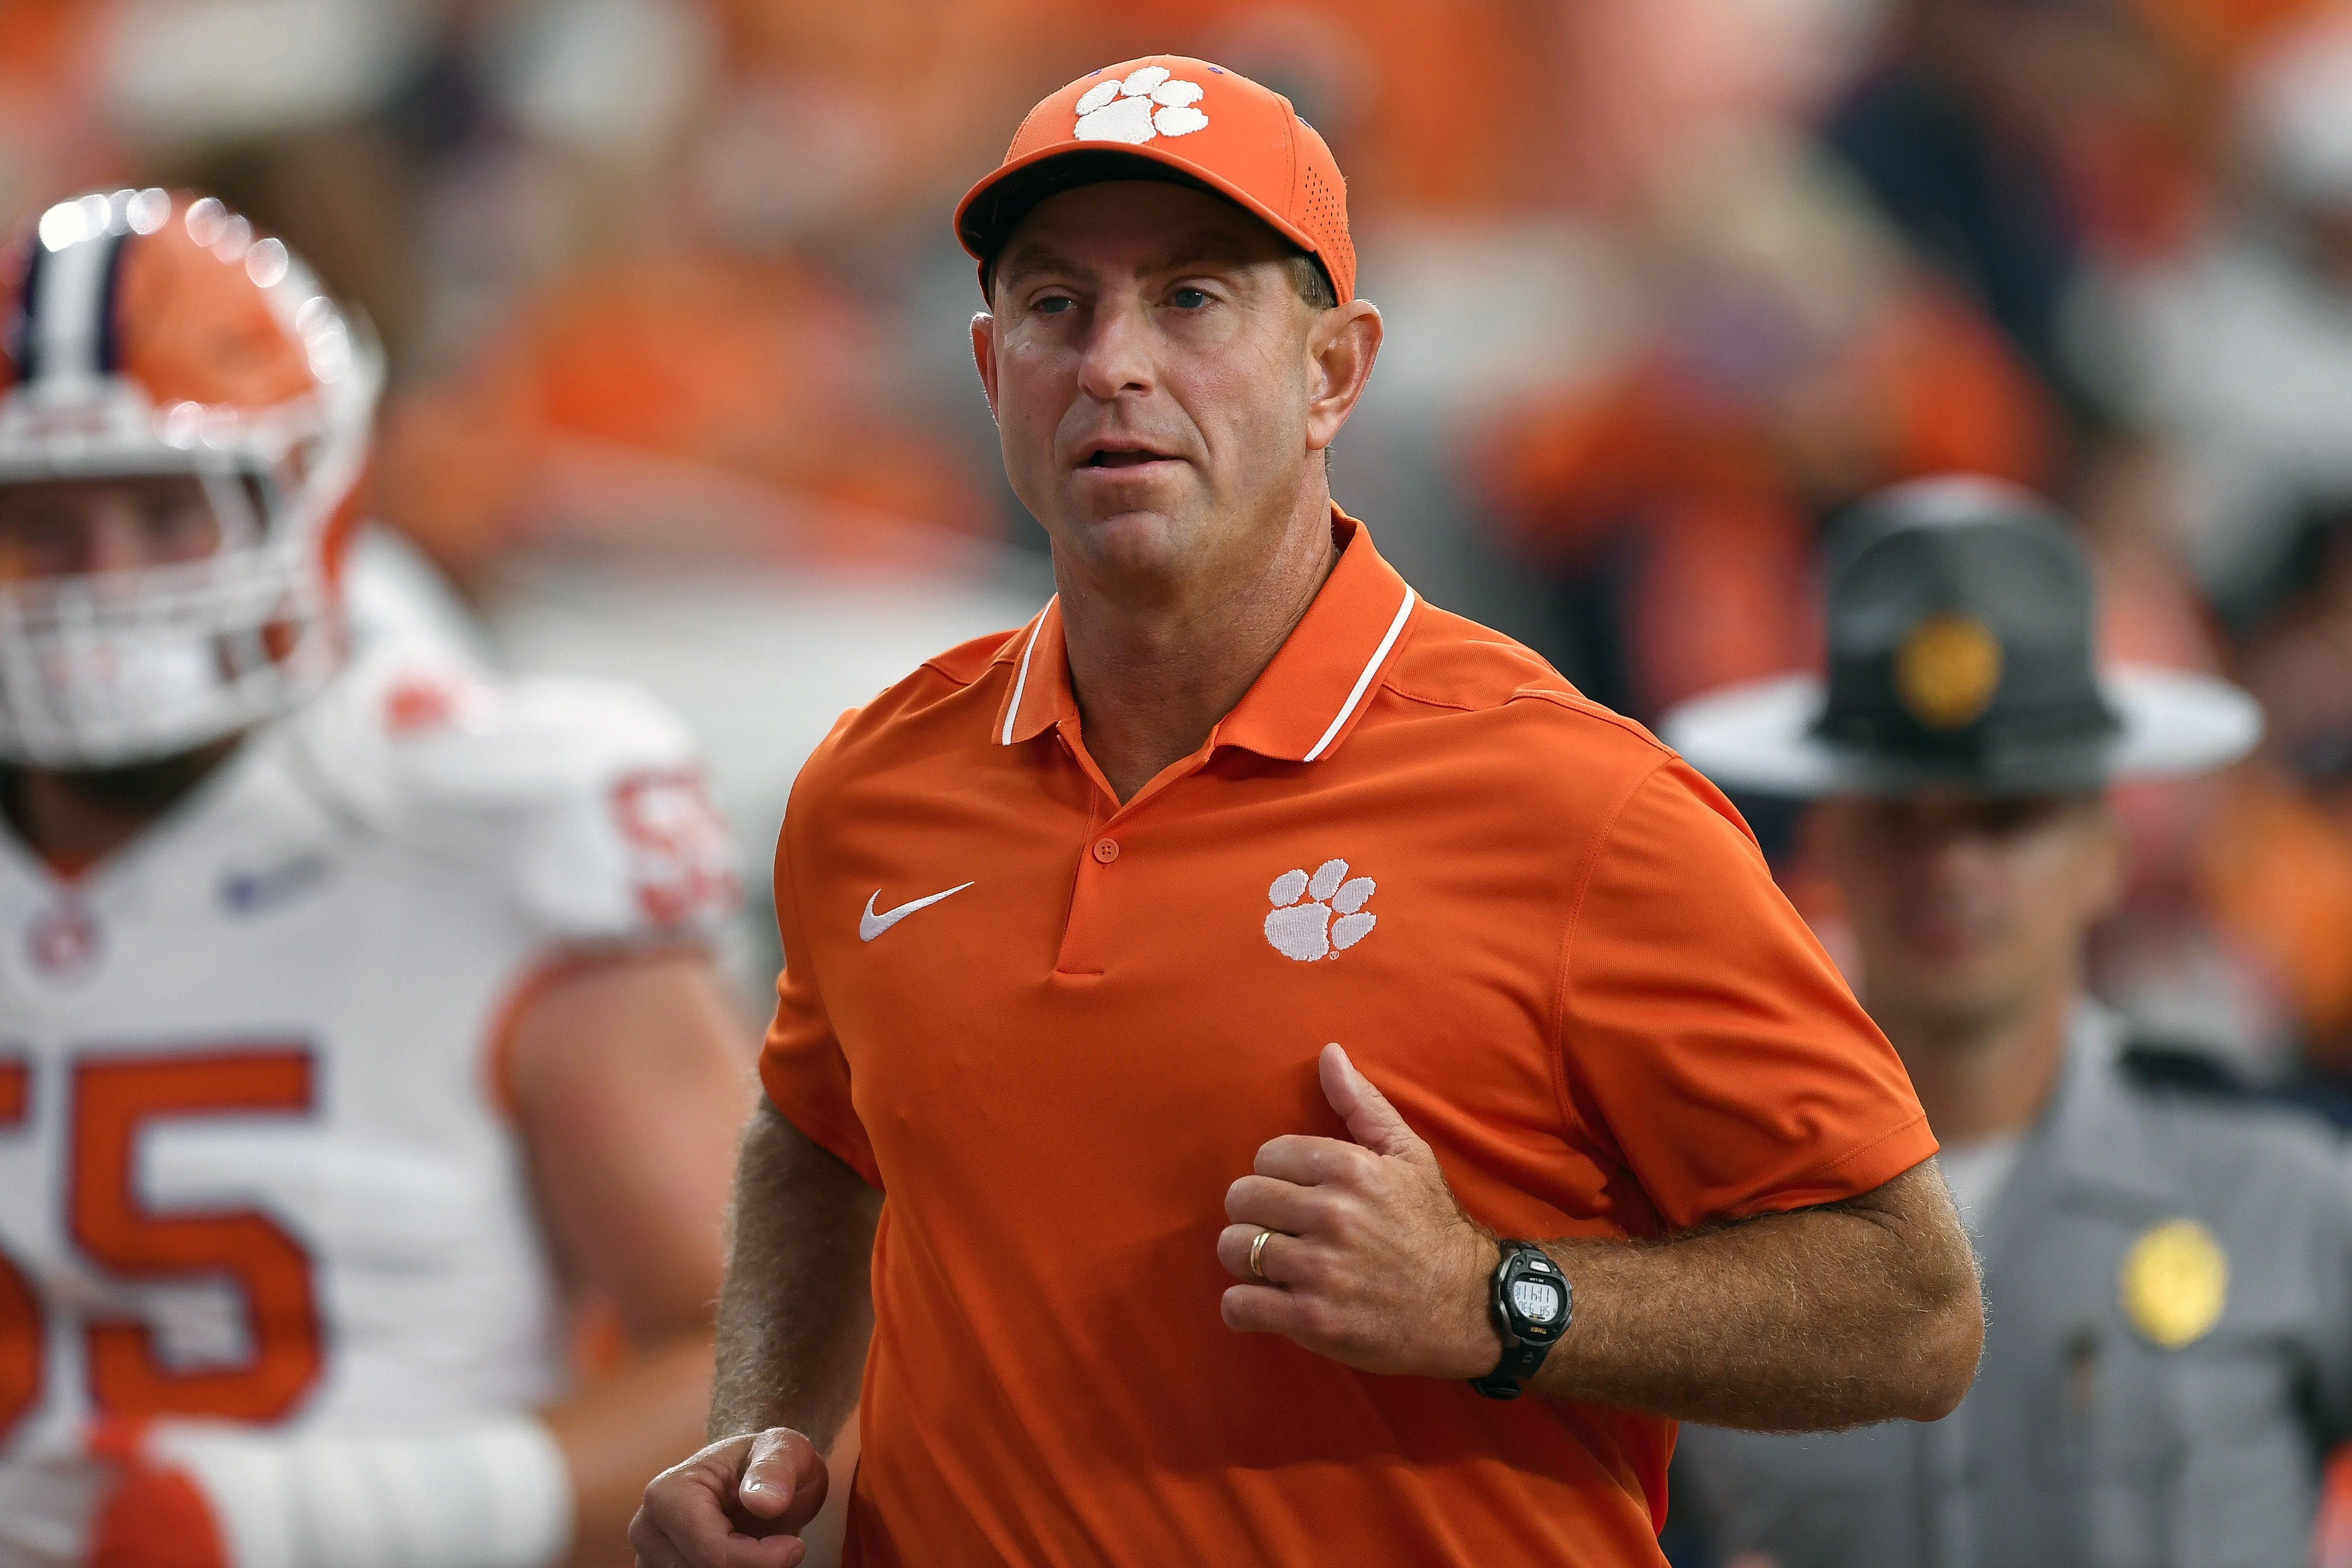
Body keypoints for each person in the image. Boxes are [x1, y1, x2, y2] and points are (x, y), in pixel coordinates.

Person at [631, 56, 1983, 1568]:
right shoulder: (872, 786)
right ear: (991, 368)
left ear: (1335, 371)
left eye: (1193, 300)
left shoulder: (1577, 803)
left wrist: (1494, 1300)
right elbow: (819, 1134)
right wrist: (762, 1429)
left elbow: (1913, 1309)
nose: (1112, 363)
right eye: (1056, 304)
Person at [0, 189, 750, 1568]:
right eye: (42, 525)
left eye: (167, 510)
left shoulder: (487, 818)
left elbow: (779, 1375)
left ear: (311, 498)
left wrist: (309, 1522)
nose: (104, 585)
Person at [1662, 476, 2352, 1567]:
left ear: (2106, 851)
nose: (1951, 865)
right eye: (1901, 816)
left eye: (2007, 815)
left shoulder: (2281, 1195)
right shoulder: (1692, 1222)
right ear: (1831, 844)